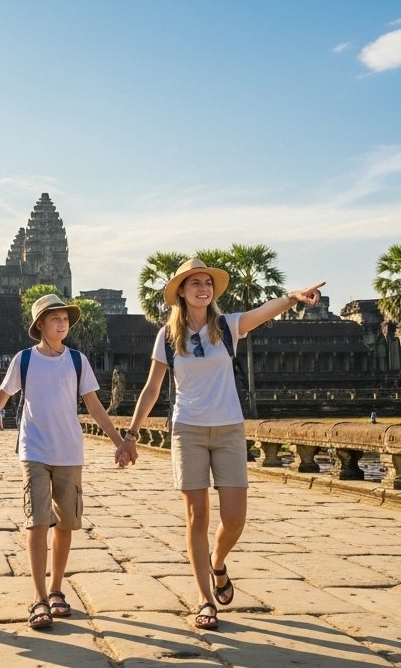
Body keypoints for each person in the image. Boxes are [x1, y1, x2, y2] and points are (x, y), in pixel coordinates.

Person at [122, 258, 323, 631]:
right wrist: (131, 435)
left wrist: (293, 297)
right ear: (181, 291)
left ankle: (217, 562)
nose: (203, 288)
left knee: (234, 519)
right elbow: (151, 389)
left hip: (229, 429)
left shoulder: (227, 327)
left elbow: (263, 312)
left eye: (207, 283)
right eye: (194, 283)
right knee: (197, 517)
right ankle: (204, 600)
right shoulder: (167, 336)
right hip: (188, 430)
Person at [0, 294, 128, 629]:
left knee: (65, 524)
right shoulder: (24, 360)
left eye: (65, 318)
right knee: (37, 522)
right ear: (40, 325)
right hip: (34, 450)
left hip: (69, 451)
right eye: (55, 319)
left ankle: (56, 589)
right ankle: (38, 596)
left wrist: (119, 441)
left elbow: (94, 406)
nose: (62, 323)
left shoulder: (77, 361)